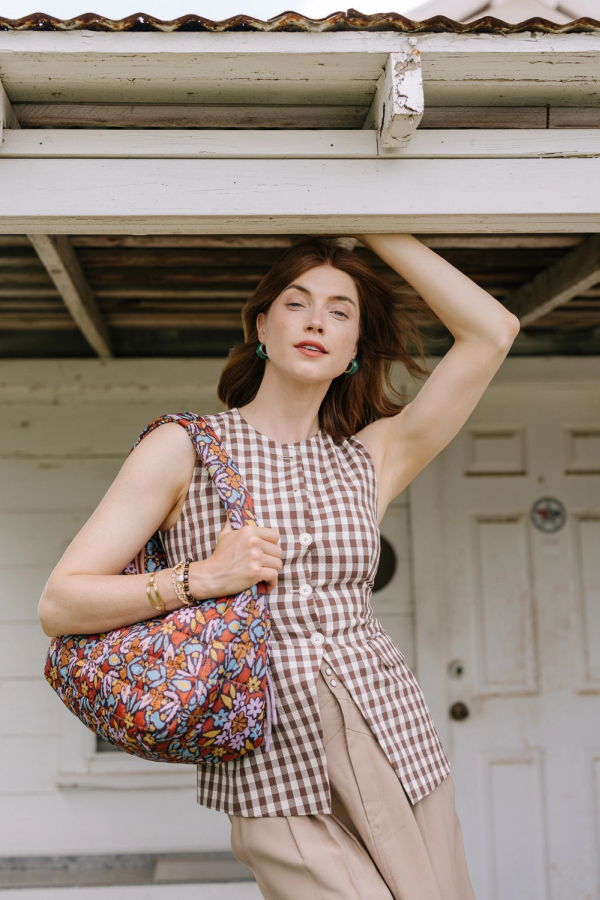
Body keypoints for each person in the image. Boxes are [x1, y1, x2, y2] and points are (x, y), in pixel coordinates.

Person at [38, 233, 519, 899]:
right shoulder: (186, 447)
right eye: (298, 303)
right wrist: (200, 578)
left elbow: (494, 330)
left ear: (355, 349)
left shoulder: (372, 456)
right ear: (263, 325)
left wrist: (372, 222)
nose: (318, 320)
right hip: (271, 760)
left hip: (397, 740)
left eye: (340, 311)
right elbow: (60, 604)